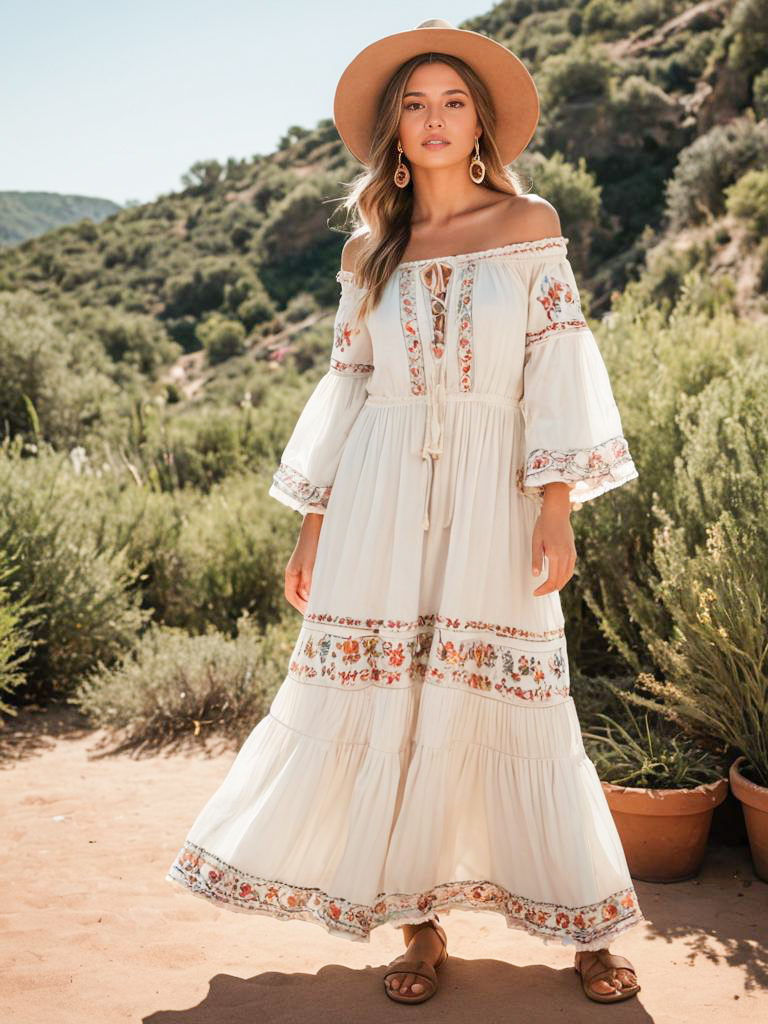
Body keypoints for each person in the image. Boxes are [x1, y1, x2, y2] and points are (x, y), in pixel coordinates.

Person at [165, 18, 644, 1007]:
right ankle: (420, 926)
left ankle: (587, 923)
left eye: (453, 103)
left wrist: (556, 504)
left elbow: (557, 368)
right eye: (415, 105)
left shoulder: (528, 224)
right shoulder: (368, 250)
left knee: (524, 701)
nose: (434, 120)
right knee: (398, 703)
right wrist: (313, 521)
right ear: (395, 129)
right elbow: (347, 386)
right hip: (382, 495)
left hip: (493, 491)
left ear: (480, 127)